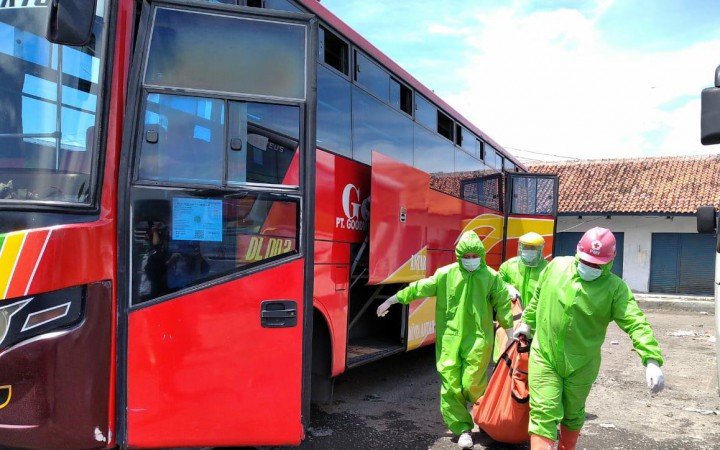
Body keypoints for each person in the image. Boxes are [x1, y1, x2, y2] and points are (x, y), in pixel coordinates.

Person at [514, 227, 665, 450]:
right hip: (545, 355)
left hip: (582, 363)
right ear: (578, 252)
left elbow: (635, 322)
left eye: (598, 264)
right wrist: (527, 322)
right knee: (543, 413)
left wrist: (651, 359)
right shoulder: (556, 267)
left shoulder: (615, 289)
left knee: (573, 414)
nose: (591, 267)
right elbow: (538, 295)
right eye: (587, 261)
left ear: (610, 261)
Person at [376, 230, 515, 449]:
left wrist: (510, 332)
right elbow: (420, 287)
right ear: (459, 256)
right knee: (451, 385)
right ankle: (462, 428)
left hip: (479, 339)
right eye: (466, 256)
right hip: (449, 338)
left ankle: (485, 419)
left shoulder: (491, 276)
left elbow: (502, 304)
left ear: (481, 255)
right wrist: (393, 300)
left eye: (474, 256)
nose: (470, 260)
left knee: (472, 383)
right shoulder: (446, 274)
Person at [492, 232, 549, 363]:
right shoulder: (509, 266)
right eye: (526, 247)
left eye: (533, 248)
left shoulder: (547, 269)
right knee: (504, 358)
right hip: (509, 321)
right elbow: (496, 284)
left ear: (540, 249)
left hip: (535, 325)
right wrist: (506, 286)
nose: (529, 251)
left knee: (531, 362)